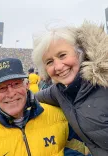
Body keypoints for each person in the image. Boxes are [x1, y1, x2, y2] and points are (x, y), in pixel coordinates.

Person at [0, 57, 87, 156]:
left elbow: (96, 141)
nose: (11, 93)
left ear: (27, 85)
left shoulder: (59, 116)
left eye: (16, 84)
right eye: (1, 88)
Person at [32, 21, 108, 156]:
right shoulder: (59, 91)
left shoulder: (104, 81)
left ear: (80, 53)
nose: (59, 67)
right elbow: (30, 98)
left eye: (62, 55)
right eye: (49, 62)